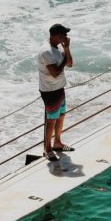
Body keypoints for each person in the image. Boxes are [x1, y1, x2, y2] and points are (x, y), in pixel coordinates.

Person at [38, 23, 74, 161]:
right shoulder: (46, 51)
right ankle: (47, 149)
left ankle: (57, 143)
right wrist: (64, 58)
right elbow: (55, 73)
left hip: (59, 87)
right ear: (55, 36)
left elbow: (70, 64)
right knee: (51, 119)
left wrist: (67, 48)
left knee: (61, 115)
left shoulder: (58, 47)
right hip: (50, 90)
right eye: (63, 35)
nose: (66, 37)